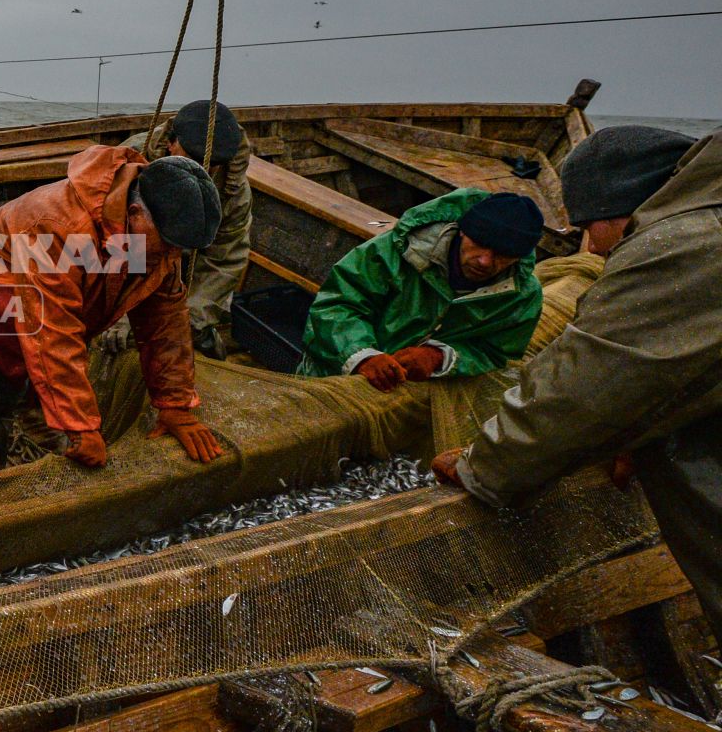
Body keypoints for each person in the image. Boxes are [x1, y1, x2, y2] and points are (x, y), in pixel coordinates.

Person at [433, 126, 722, 636]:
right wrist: (637, 431)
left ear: (621, 209)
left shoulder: (682, 245)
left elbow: (586, 387)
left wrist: (485, 464)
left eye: (588, 227)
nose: (589, 246)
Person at [0, 145, 225, 477]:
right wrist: (80, 426)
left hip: (27, 322)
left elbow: (165, 323)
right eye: (169, 245)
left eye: (180, 250)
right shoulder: (57, 225)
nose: (173, 256)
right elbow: (51, 332)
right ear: (136, 213)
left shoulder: (157, 244)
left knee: (4, 407)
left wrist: (175, 405)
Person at [297, 189, 545, 390]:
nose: (485, 261)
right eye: (479, 244)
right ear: (462, 231)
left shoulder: (523, 296)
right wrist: (362, 356)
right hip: (330, 380)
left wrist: (438, 357)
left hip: (411, 399)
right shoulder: (392, 251)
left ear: (519, 257)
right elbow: (337, 305)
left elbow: (495, 352)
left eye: (504, 255)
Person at [101, 99, 255, 357]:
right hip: (128, 259)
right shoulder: (128, 162)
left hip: (186, 268)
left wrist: (192, 318)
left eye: (210, 164)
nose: (200, 170)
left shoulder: (234, 194)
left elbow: (225, 261)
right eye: (192, 158)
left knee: (197, 342)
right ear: (171, 142)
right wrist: (123, 310)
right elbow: (104, 237)